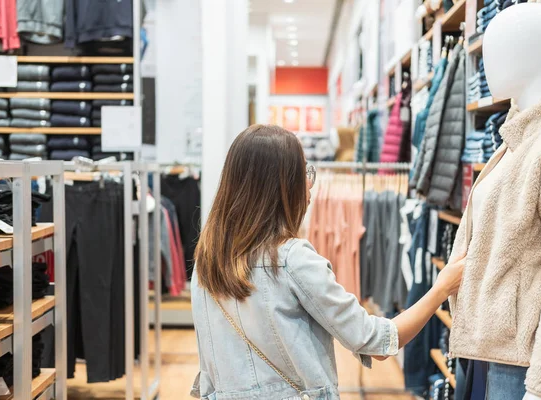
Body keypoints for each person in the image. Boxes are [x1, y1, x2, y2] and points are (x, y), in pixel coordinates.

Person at [191, 124, 464, 400]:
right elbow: (376, 342)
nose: (309, 184)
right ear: (283, 186)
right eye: (304, 173)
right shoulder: (291, 260)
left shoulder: (207, 260)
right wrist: (441, 288)